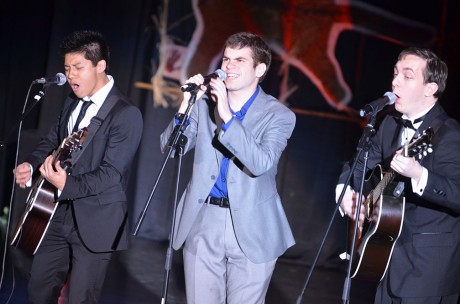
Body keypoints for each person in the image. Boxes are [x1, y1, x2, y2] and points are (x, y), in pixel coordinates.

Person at [160, 32, 296, 303]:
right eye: (226, 59)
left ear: (260, 69)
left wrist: (227, 115)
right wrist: (187, 105)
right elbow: (171, 149)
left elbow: (259, 163)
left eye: (239, 60)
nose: (229, 66)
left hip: (253, 225)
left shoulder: (279, 115)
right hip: (204, 219)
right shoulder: (203, 107)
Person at [13, 30, 143, 303]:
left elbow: (111, 174)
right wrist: (30, 163)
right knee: (38, 289)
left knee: (81, 298)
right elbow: (52, 140)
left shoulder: (125, 113)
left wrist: (67, 185)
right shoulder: (72, 101)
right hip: (55, 212)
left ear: (100, 66)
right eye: (67, 68)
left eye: (78, 68)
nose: (70, 75)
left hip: (97, 219)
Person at [337, 47, 460, 303]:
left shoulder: (449, 134)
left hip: (426, 270)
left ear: (430, 88)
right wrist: (344, 190)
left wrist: (420, 174)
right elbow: (360, 162)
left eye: (407, 75)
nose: (395, 81)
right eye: (395, 74)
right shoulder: (389, 123)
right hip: (384, 257)